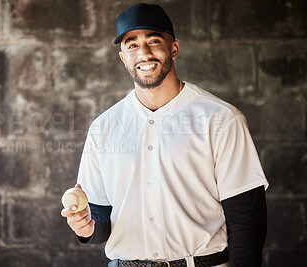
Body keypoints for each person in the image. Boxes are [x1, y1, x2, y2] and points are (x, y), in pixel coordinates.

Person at [61, 3, 268, 267]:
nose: (143, 53)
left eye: (154, 40)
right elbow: (102, 216)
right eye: (132, 44)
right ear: (123, 57)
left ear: (174, 48)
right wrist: (86, 226)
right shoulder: (104, 127)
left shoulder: (221, 119)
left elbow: (246, 217)